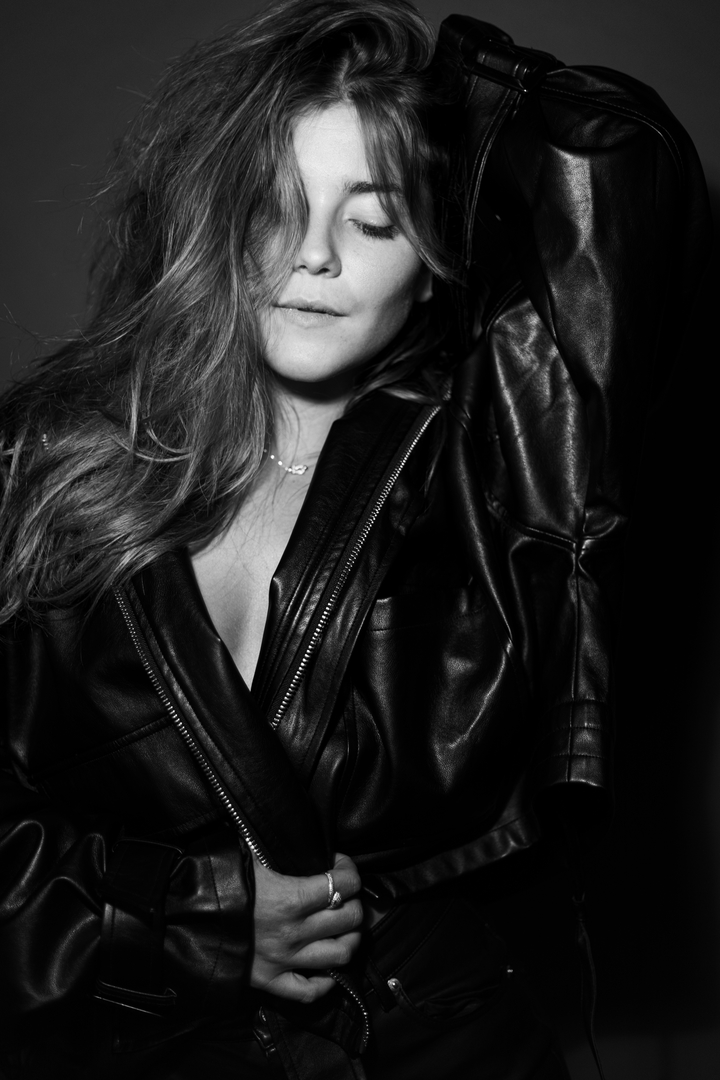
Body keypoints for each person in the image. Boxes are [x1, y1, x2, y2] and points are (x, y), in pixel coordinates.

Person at [0, 1, 709, 1078]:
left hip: (441, 1044)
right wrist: (188, 920)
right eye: (274, 206)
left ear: (434, 260)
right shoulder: (48, 462)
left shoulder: (494, 471)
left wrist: (456, 92)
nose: (314, 255)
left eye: (373, 221)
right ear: (217, 221)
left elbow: (619, 165)